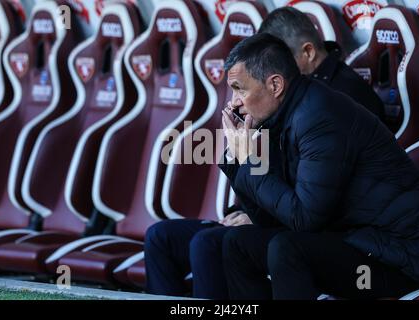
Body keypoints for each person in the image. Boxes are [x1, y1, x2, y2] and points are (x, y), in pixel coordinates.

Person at [144, 7, 387, 299]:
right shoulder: (281, 102)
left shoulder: (333, 102)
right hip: (278, 212)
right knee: (161, 236)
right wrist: (240, 177)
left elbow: (313, 204)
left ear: (305, 54)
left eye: (273, 58)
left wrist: (253, 207)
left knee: (211, 244)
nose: (271, 66)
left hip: (322, 232)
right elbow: (272, 168)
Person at [220, 32, 419, 300]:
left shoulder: (319, 116)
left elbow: (303, 220)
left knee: (287, 248)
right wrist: (238, 159)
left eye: (240, 89)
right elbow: (269, 220)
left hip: (401, 261)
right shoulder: (280, 118)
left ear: (275, 85)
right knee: (236, 243)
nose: (235, 102)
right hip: (359, 245)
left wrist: (250, 161)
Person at [258, 6, 386, 124]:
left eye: (279, 63)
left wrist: (248, 144)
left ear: (308, 52)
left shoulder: (342, 97)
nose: (274, 74)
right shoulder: (301, 88)